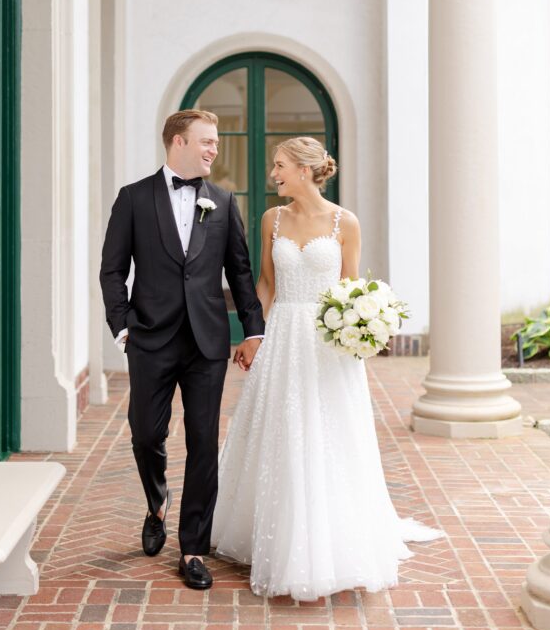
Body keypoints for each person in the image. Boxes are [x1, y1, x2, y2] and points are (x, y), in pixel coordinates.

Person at [211, 137, 443, 600]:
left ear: (303, 169)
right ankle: (276, 530)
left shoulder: (345, 222)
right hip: (281, 336)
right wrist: (252, 335)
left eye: (278, 165)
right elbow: (266, 283)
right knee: (280, 429)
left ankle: (330, 536)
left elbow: (352, 288)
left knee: (328, 433)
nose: (272, 174)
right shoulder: (271, 220)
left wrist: (360, 328)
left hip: (326, 342)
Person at [100, 110, 264, 591]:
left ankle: (193, 547)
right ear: (178, 142)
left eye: (215, 142)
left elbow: (239, 272)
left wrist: (253, 331)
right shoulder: (133, 199)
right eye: (207, 141)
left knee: (203, 441)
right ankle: (157, 503)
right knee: (144, 434)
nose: (214, 149)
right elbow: (112, 270)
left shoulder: (223, 201)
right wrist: (122, 325)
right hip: (149, 337)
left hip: (207, 342)